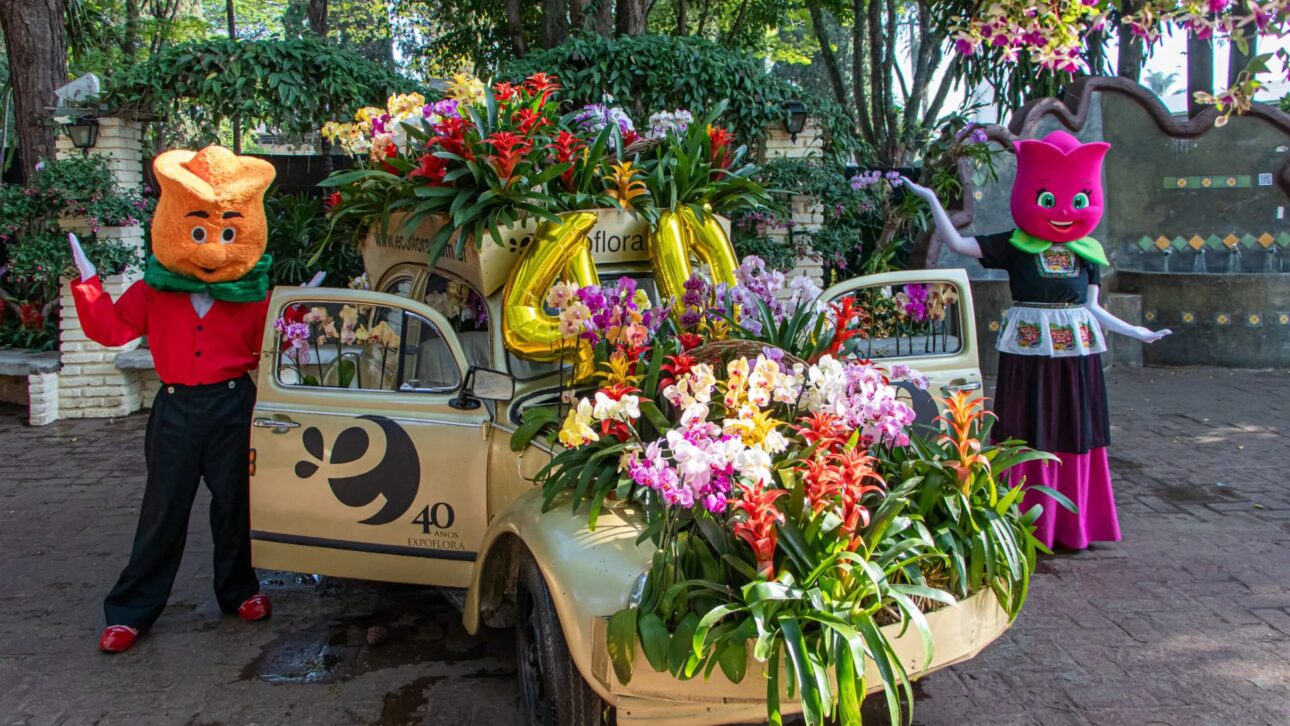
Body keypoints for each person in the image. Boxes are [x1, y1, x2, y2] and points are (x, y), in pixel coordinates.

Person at [901, 129, 1170, 551]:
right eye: (1050, 200)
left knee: (1075, 429)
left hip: (1077, 358)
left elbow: (1094, 309)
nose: (1064, 211)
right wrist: (932, 199)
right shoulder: (1013, 244)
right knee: (1031, 427)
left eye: (1078, 201)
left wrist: (1137, 331)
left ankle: (1073, 524)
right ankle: (1029, 520)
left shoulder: (1087, 252)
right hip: (1029, 357)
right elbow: (955, 242)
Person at [69, 146, 291, 653]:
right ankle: (131, 610)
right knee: (163, 509)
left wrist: (294, 322)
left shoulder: (253, 294)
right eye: (199, 231)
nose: (212, 248)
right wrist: (88, 285)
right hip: (175, 409)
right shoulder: (154, 291)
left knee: (236, 506)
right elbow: (112, 330)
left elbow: (269, 351)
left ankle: (240, 590)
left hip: (234, 405)